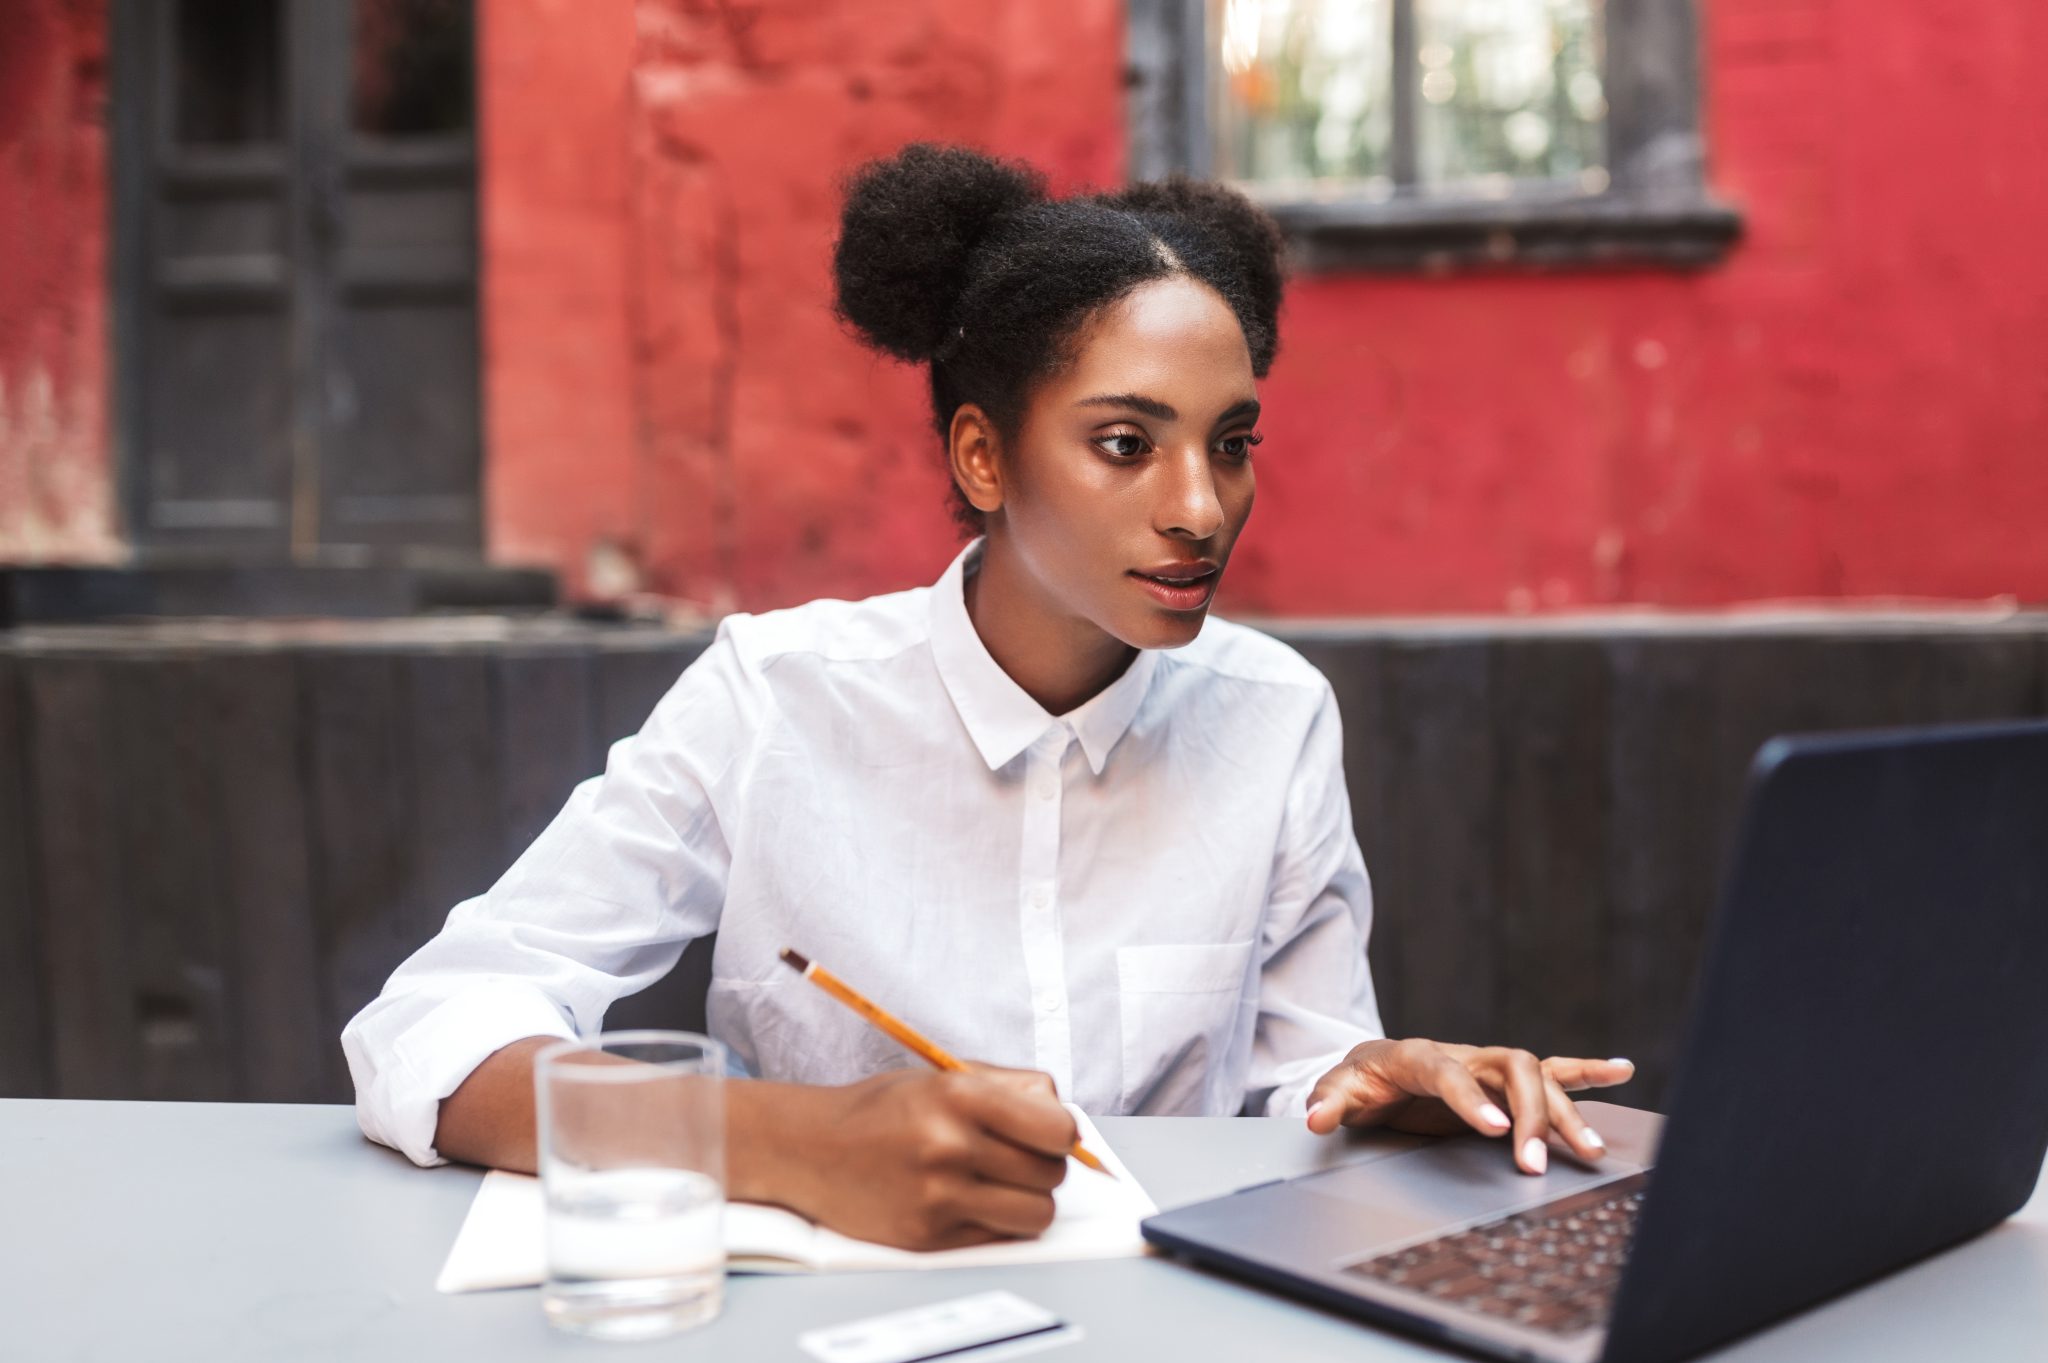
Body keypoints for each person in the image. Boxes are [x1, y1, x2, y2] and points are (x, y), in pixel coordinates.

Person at [342, 143, 1632, 1252]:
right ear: (982, 452)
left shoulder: (1274, 714)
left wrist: (1379, 1085)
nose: (1200, 508)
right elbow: (432, 1032)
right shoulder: (777, 698)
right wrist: (790, 1143)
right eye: (1126, 444)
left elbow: (1293, 1088)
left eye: (1231, 444)